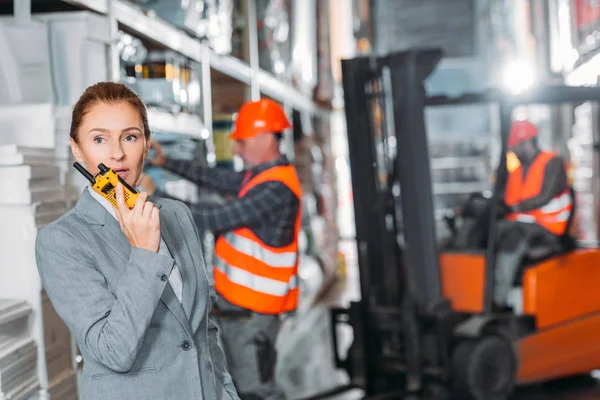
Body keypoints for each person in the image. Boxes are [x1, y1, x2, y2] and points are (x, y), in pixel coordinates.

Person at [35, 82, 239, 400]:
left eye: (130, 137)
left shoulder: (175, 214)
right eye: (99, 139)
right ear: (77, 149)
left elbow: (202, 327)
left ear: (146, 144)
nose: (117, 153)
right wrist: (144, 252)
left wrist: (225, 393)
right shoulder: (62, 241)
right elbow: (113, 350)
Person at [140, 98, 302, 400]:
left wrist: (156, 195)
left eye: (241, 141)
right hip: (241, 308)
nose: (236, 149)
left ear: (266, 138)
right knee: (241, 387)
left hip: (253, 313)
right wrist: (167, 163)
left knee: (257, 392)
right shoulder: (262, 176)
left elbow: (212, 219)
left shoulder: (276, 189)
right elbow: (218, 179)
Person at [494, 120, 573, 306]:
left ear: (526, 143)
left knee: (512, 238)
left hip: (549, 227)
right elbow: (508, 200)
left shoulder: (552, 162)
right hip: (524, 225)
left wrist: (514, 208)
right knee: (488, 232)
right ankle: (483, 292)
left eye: (514, 148)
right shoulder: (516, 172)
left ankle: (498, 301)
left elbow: (544, 196)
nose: (513, 152)